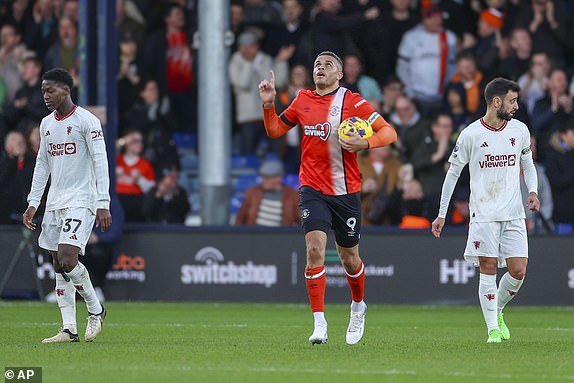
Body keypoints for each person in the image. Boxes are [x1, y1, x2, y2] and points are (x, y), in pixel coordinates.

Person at [258, 51, 397, 345]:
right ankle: (319, 323)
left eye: (328, 65)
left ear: (340, 74)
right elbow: (274, 130)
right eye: (317, 64)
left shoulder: (353, 101)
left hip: (346, 192)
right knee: (314, 252)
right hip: (312, 189)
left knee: (350, 259)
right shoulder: (302, 99)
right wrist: (269, 104)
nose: (320, 68)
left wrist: (366, 141)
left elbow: (389, 132)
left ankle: (358, 306)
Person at [431, 78, 540, 343]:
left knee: (518, 271)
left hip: (514, 212)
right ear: (496, 101)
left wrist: (534, 192)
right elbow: (452, 174)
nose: (516, 106)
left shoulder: (520, 130)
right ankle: (492, 329)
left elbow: (528, 165)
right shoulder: (471, 134)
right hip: (484, 214)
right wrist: (442, 213)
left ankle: (498, 309)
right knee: (488, 267)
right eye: (512, 100)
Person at [22, 68, 112, 343]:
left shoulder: (88, 121)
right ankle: (69, 328)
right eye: (43, 92)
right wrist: (33, 202)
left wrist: (103, 201)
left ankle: (96, 310)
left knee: (67, 258)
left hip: (81, 200)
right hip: (55, 202)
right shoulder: (46, 124)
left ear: (66, 90)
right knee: (57, 265)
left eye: (50, 90)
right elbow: (42, 165)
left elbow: (100, 161)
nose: (46, 96)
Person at [235, 159, 300, 226]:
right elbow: (240, 219)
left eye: (268, 178)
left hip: (280, 235)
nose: (264, 181)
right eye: (263, 177)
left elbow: (302, 221)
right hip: (254, 234)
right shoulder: (252, 193)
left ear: (279, 178)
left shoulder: (292, 196)